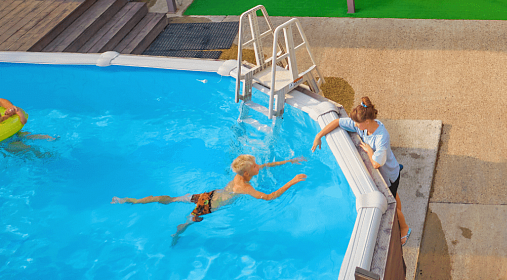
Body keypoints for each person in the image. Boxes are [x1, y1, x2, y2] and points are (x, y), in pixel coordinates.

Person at [112, 154, 306, 243]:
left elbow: (266, 166)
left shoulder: (240, 175)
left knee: (171, 199)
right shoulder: (245, 187)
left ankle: (132, 200)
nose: (259, 166)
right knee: (189, 221)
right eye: (255, 166)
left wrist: (289, 161)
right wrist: (293, 181)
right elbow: (270, 197)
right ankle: (177, 234)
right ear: (247, 173)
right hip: (209, 206)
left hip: (208, 195)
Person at [312, 96, 411, 245]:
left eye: (357, 123)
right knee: (394, 193)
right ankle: (399, 215)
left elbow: (376, 164)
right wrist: (319, 135)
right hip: (391, 171)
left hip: (389, 174)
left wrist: (370, 151)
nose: (355, 125)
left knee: (393, 208)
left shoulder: (381, 137)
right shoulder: (363, 126)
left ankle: (404, 228)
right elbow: (337, 122)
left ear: (367, 121)